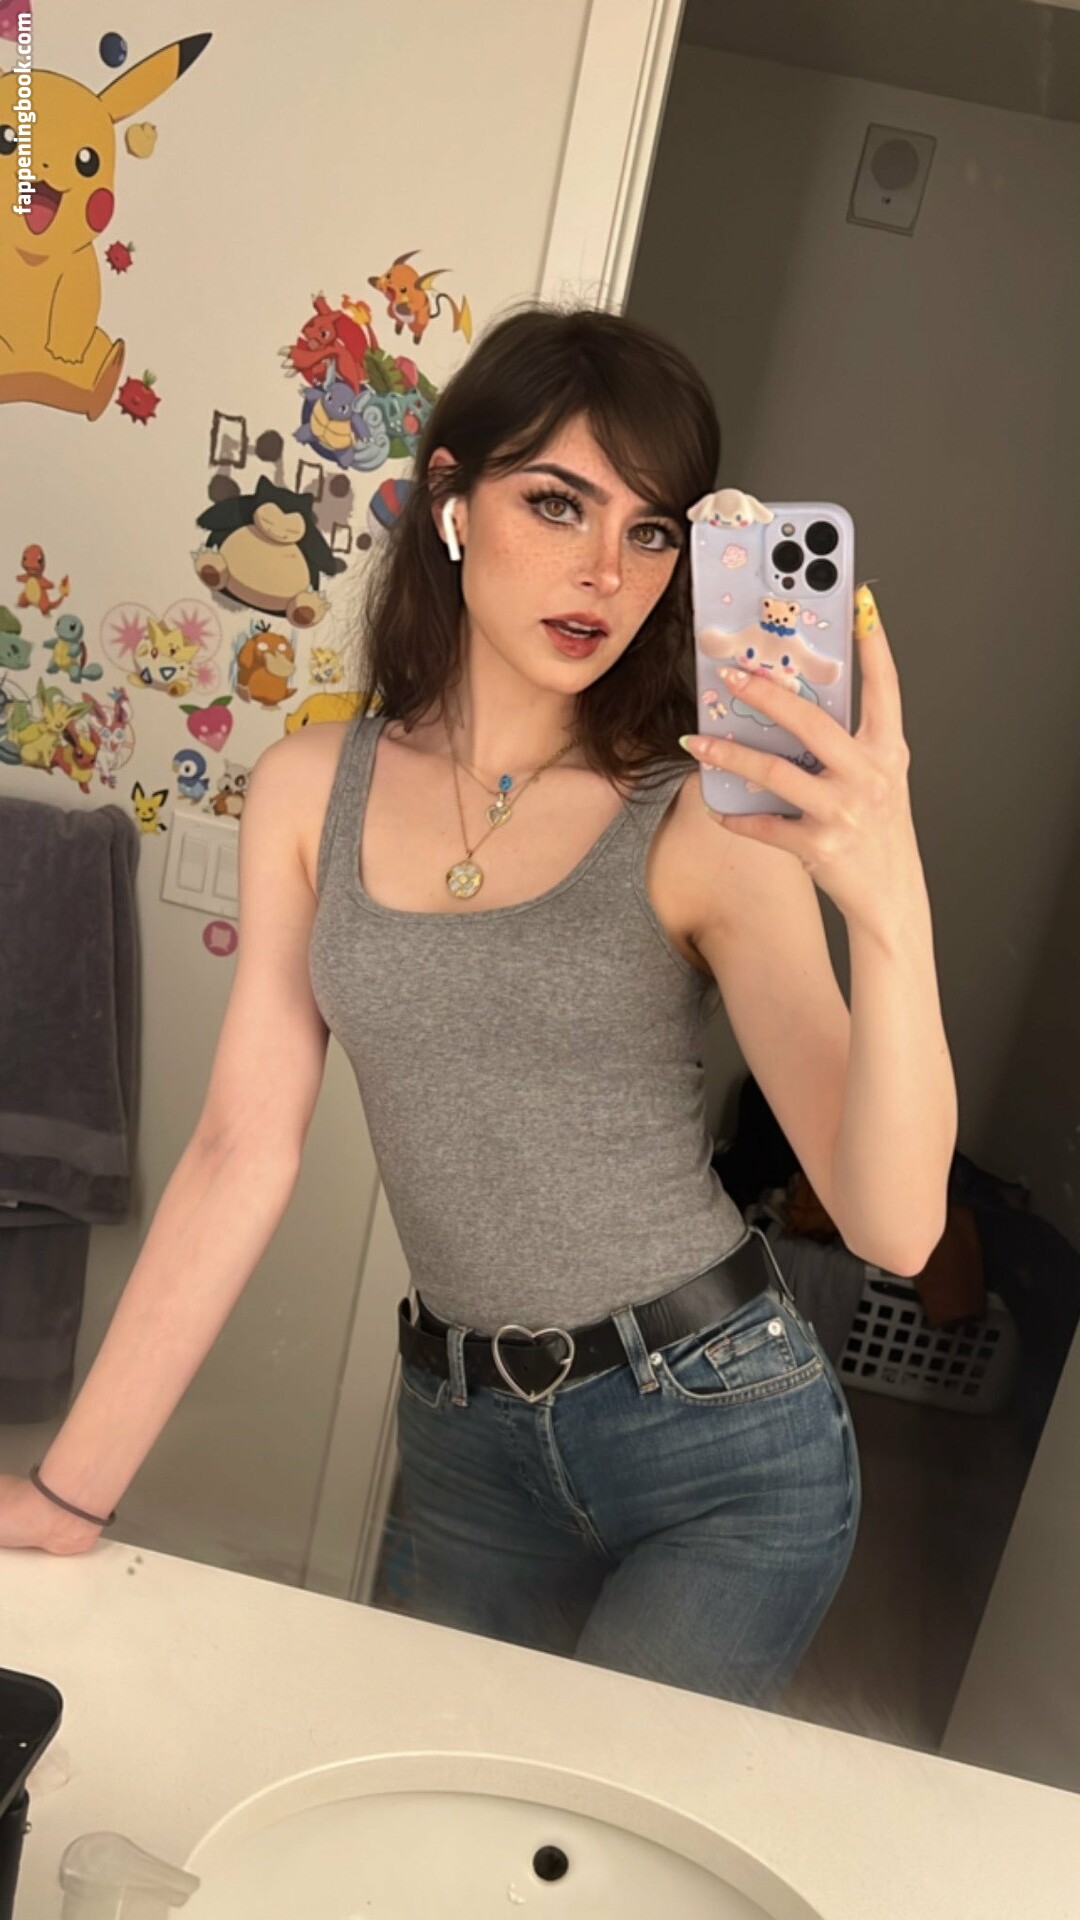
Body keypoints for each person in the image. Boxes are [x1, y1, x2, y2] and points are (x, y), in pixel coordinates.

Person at [0, 304, 957, 1710]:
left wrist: (890, 900)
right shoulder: (307, 791)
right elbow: (239, 1152)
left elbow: (898, 1227)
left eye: (650, 530)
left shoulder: (700, 821)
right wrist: (71, 1491)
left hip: (720, 1438)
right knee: (439, 1795)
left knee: (580, 1819)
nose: (605, 571)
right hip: (464, 1433)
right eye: (558, 503)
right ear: (451, 500)